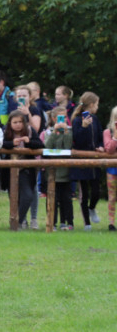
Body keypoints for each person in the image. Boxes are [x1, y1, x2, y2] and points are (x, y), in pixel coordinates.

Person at [2, 111, 43, 228]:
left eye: (20, 122)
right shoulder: (6, 131)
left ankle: (18, 220)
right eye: (15, 122)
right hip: (9, 170)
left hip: (26, 169)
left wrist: (28, 142)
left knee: (28, 195)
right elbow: (0, 144)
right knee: (14, 197)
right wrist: (11, 144)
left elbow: (40, 144)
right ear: (10, 123)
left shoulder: (30, 130)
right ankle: (19, 222)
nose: (18, 124)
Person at [71, 91, 104, 228]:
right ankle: (87, 223)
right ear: (91, 104)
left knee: (96, 191)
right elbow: (77, 140)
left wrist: (100, 146)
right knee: (84, 194)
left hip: (94, 159)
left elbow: (100, 135)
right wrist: (84, 127)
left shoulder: (95, 119)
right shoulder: (77, 120)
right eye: (96, 104)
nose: (97, 107)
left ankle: (92, 208)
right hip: (81, 161)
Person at [45, 108, 75, 230]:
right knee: (53, 199)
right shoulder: (49, 131)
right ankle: (52, 222)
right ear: (54, 119)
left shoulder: (70, 131)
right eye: (59, 118)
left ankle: (68, 222)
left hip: (66, 172)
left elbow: (68, 146)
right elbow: (47, 146)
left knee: (66, 199)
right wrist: (55, 132)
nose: (62, 121)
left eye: (64, 118)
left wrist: (66, 132)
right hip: (53, 173)